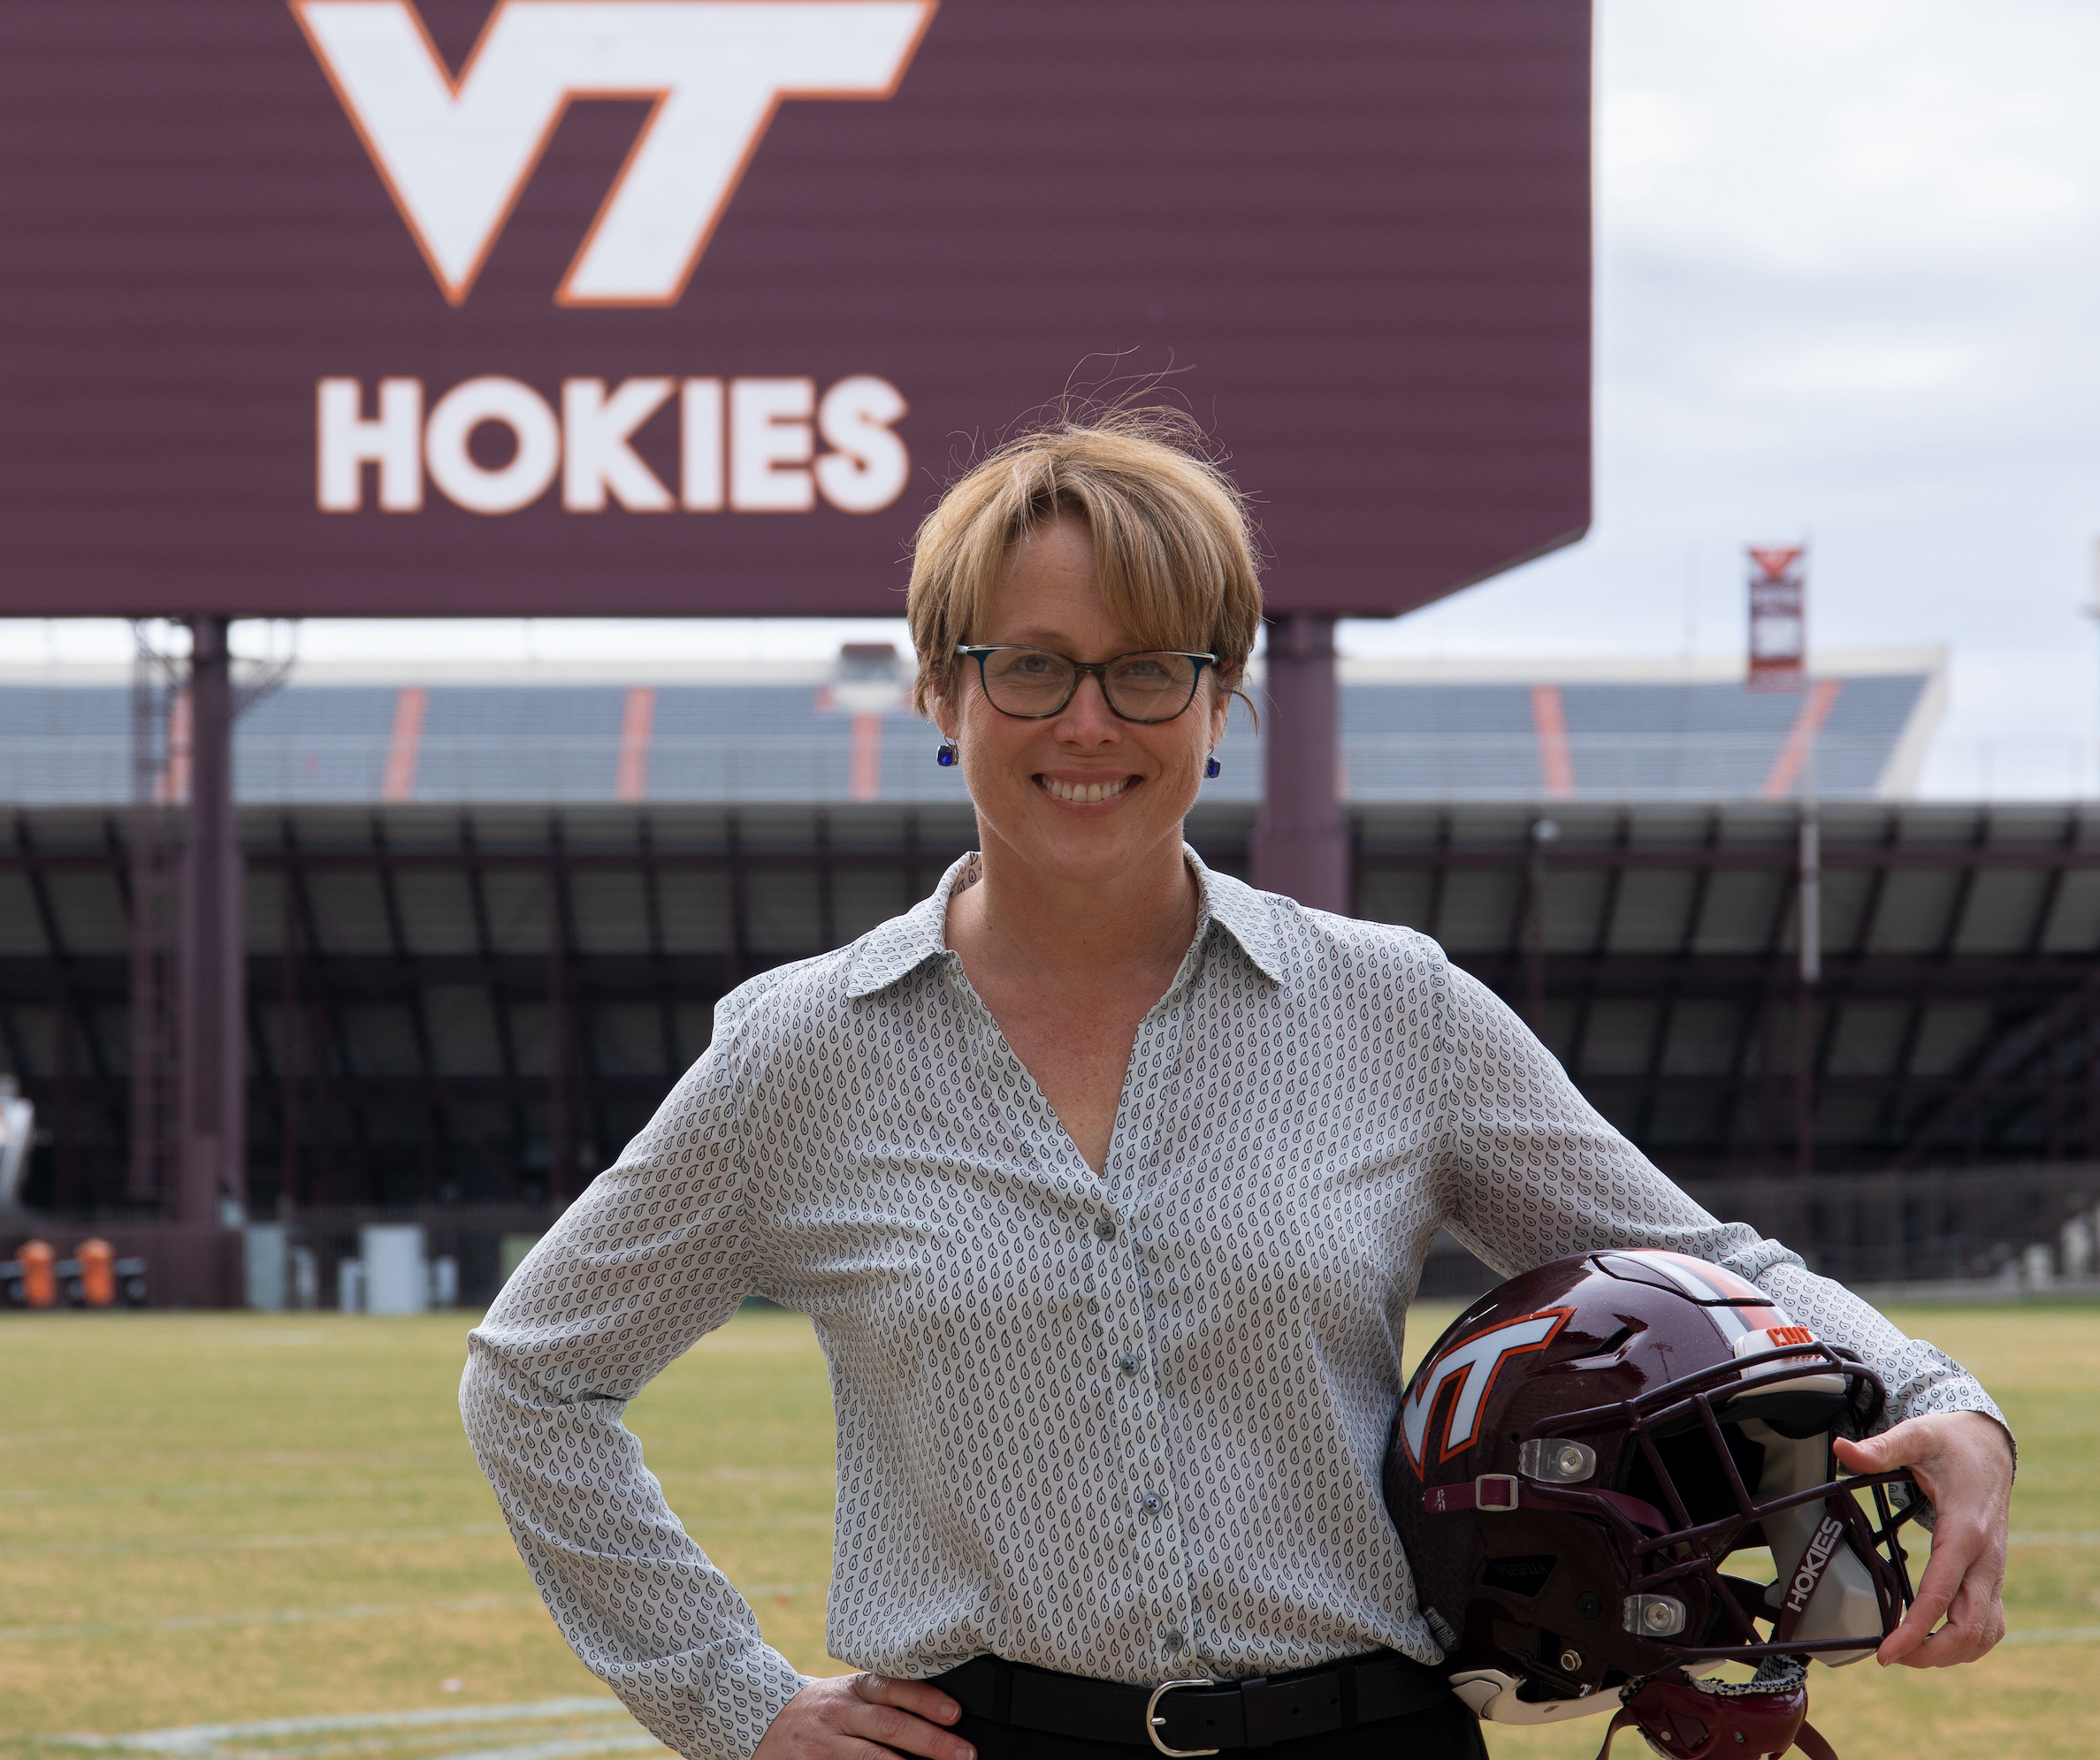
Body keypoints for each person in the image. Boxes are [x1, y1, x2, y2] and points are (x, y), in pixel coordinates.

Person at [462, 412, 2013, 1760]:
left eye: (1149, 671)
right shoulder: (801, 1052)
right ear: (942, 691)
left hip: (1366, 1734)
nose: (1089, 721)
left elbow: (1717, 1271)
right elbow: (534, 1375)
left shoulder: (1389, 1005)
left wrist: (1942, 1402)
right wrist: (731, 1698)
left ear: (1221, 701)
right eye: (1032, 667)